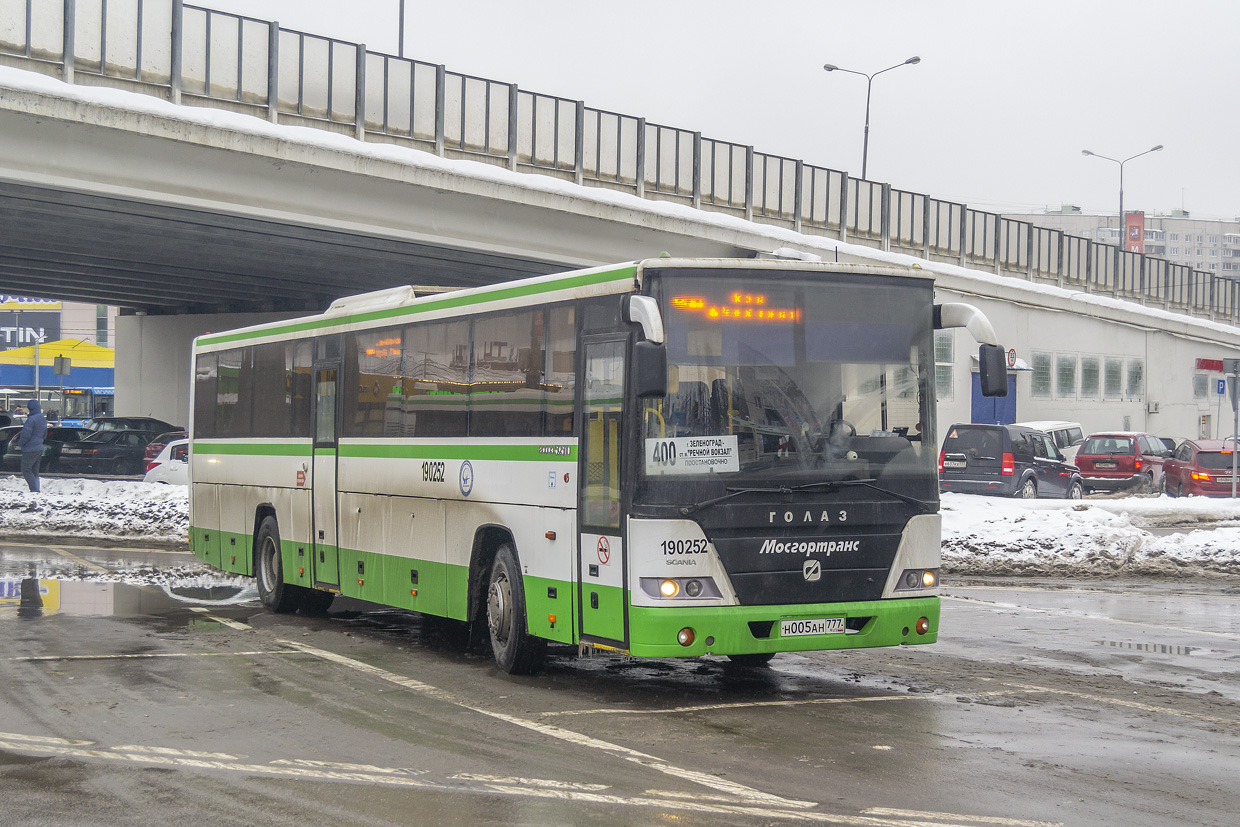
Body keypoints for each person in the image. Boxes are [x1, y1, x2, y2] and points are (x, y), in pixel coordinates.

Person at [14, 398, 48, 493]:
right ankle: (36, 489)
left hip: (30, 449)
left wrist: (20, 444)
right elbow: (45, 434)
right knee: (35, 471)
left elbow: (26, 435)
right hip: (39, 448)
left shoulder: (31, 420)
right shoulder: (42, 419)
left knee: (25, 469)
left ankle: (34, 489)